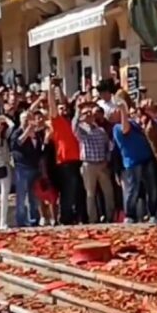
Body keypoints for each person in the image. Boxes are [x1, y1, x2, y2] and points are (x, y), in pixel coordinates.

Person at [46, 81, 84, 225]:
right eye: (60, 108)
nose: (63, 110)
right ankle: (65, 218)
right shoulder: (57, 121)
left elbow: (66, 103)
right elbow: (52, 106)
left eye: (64, 108)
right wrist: (51, 90)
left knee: (76, 191)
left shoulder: (72, 121)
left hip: (77, 160)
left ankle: (73, 216)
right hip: (65, 162)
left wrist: (60, 88)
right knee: (68, 191)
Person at [113, 101, 157, 223]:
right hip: (132, 162)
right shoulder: (116, 128)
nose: (131, 115)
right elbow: (125, 130)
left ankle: (152, 213)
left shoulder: (137, 126)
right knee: (133, 190)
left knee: (151, 188)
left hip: (146, 159)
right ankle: (129, 215)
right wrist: (123, 110)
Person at [74, 103, 113, 224]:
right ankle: (93, 219)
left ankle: (109, 217)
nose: (89, 115)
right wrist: (78, 113)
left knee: (108, 192)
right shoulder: (82, 130)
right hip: (88, 165)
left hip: (102, 164)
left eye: (90, 113)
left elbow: (108, 145)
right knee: (90, 194)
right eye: (86, 113)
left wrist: (107, 159)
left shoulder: (100, 130)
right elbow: (74, 127)